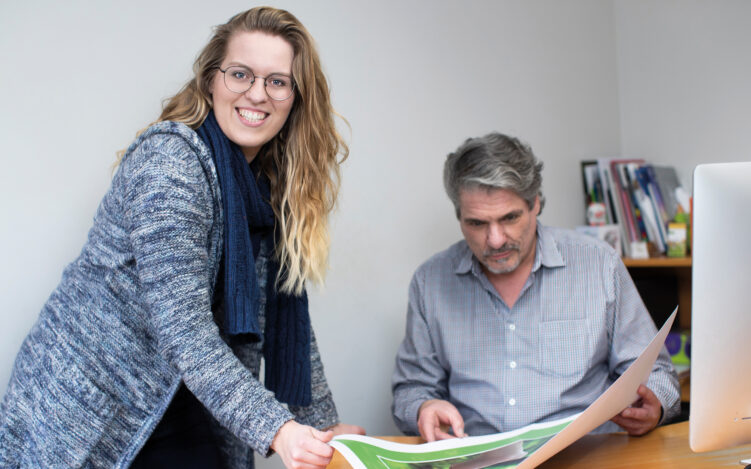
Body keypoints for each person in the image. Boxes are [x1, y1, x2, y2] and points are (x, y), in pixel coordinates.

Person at [0, 7, 364, 469]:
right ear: (211, 80)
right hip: (92, 408)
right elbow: (184, 328)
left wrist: (322, 425)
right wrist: (278, 428)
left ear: (296, 98)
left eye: (277, 81)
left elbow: (288, 320)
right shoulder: (171, 164)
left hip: (181, 399)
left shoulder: (264, 191)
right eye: (240, 74)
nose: (257, 93)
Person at [391, 132, 680, 442]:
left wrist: (654, 405)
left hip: (586, 453)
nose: (495, 240)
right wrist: (424, 407)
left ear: (536, 204)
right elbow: (411, 390)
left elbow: (658, 374)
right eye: (477, 223)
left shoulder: (599, 264)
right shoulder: (430, 282)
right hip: (479, 457)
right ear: (459, 216)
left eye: (510, 218)